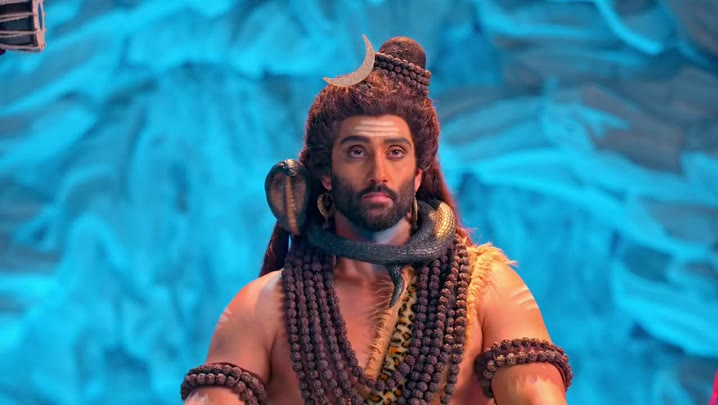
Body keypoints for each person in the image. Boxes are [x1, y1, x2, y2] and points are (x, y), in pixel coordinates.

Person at [180, 35, 573, 404]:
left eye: (396, 152)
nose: (378, 173)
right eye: (356, 152)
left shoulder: (487, 290)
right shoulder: (262, 308)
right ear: (326, 173)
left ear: (418, 173)